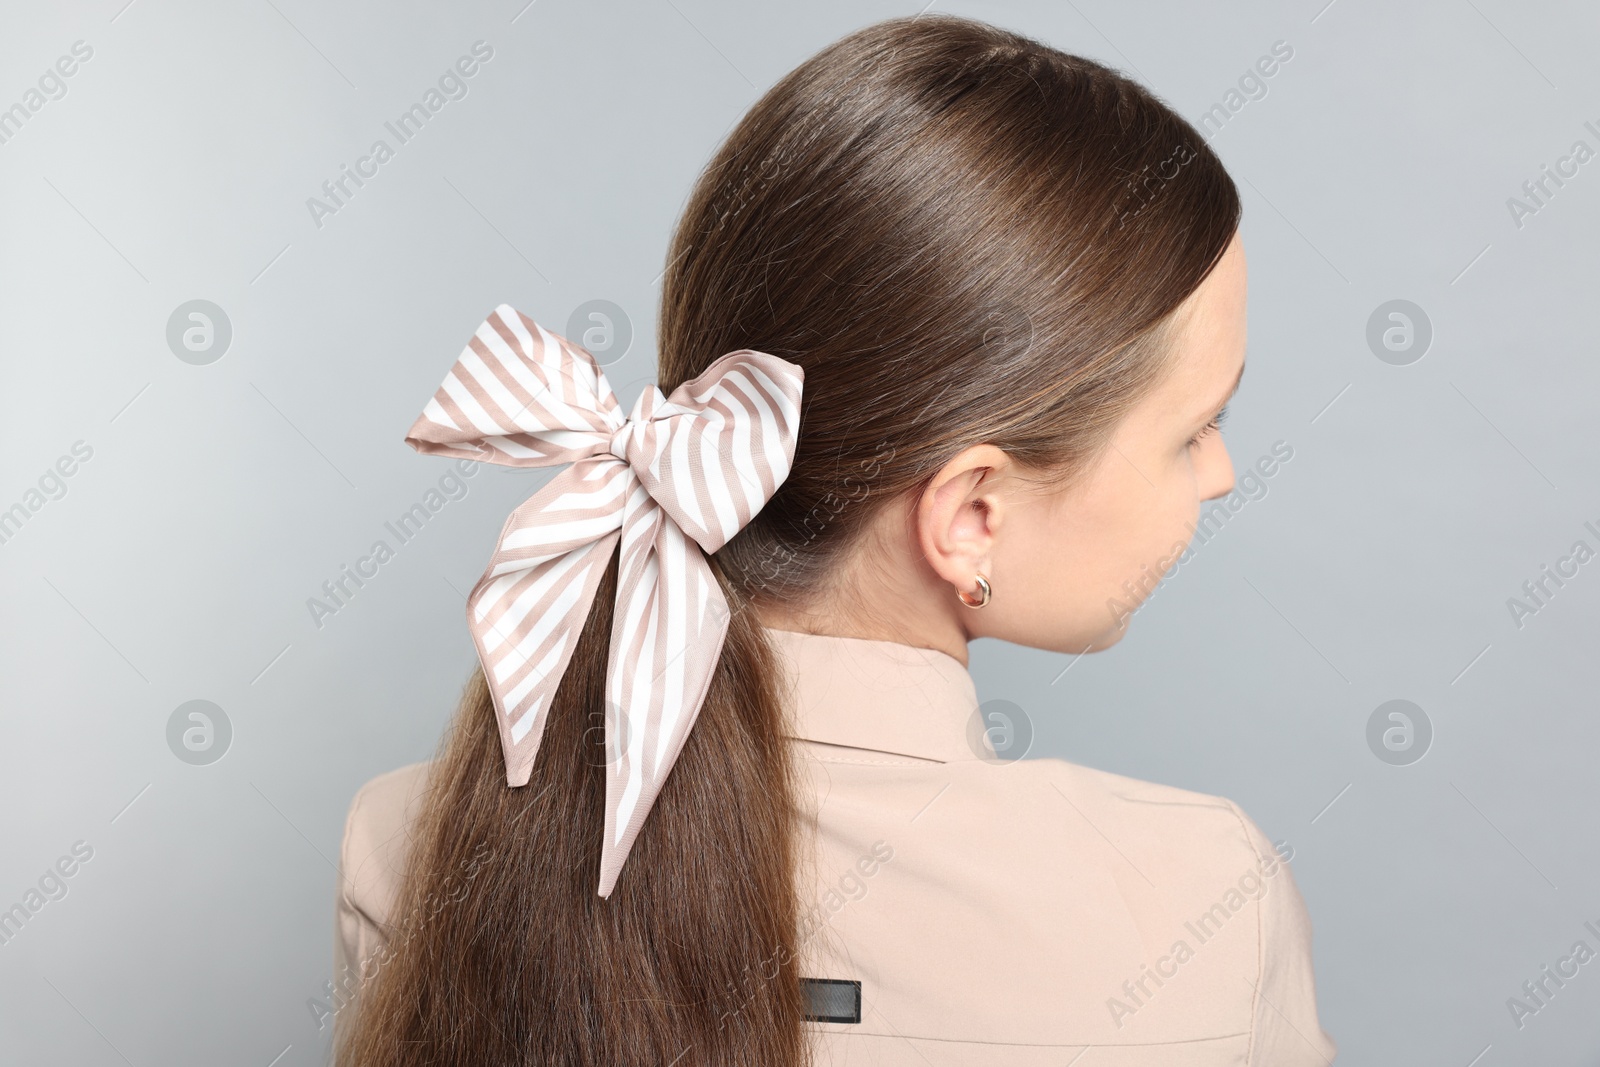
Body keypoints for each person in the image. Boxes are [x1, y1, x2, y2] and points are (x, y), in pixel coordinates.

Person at [331, 13, 1337, 1065]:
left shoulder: (406, 847)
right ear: (970, 513)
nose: (1220, 472)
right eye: (1195, 428)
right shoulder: (1205, 902)